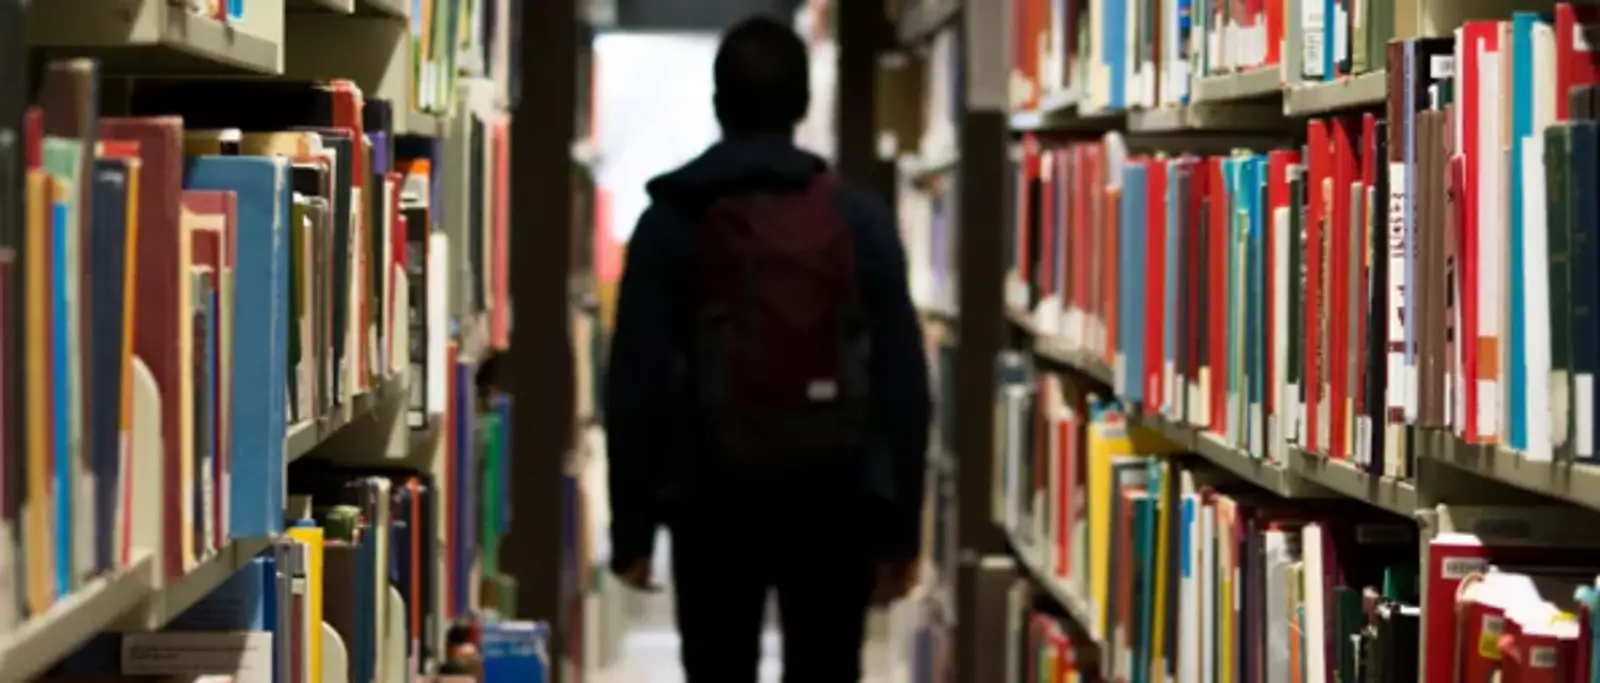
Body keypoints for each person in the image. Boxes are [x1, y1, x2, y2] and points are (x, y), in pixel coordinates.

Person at [602, 14, 933, 683]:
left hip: (710, 495)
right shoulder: (857, 219)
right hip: (833, 495)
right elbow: (904, 382)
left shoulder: (671, 218)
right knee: (826, 667)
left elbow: (635, 383)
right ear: (803, 104)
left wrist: (633, 530)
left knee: (718, 668)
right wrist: (901, 532)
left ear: (717, 102)